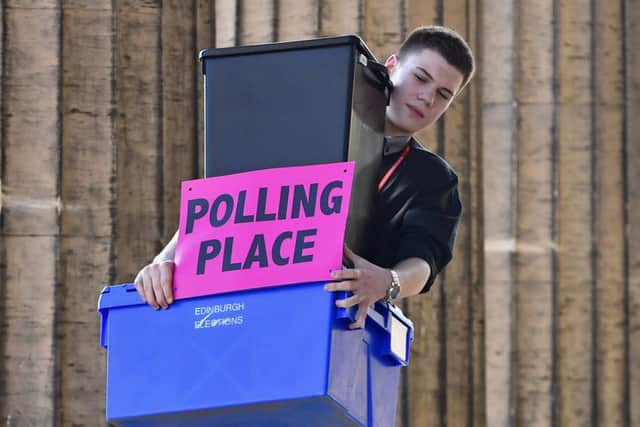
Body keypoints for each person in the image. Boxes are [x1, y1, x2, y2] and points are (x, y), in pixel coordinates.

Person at [134, 25, 475, 330]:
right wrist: (163, 261)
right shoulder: (311, 126)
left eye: (444, 95)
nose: (427, 97)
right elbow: (234, 198)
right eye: (421, 78)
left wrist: (388, 282)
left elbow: (423, 260)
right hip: (243, 310)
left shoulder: (433, 178)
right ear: (391, 68)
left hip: (337, 324)